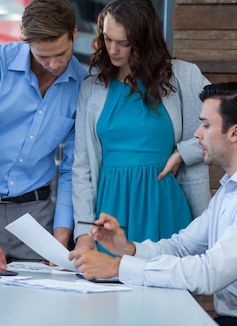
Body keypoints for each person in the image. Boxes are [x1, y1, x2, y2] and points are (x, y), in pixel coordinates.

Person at [69, 82, 237, 326]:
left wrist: (118, 267)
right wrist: (127, 249)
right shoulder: (227, 192)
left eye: (206, 125)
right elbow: (181, 246)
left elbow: (208, 272)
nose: (197, 134)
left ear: (234, 132)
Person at [0, 0, 89, 269]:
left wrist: (62, 232)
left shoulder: (84, 85)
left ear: (74, 33)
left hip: (36, 213)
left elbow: (72, 166)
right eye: (42, 56)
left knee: (39, 308)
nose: (53, 65)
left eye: (60, 54)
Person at [73, 0, 211, 252]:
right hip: (109, 211)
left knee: (164, 285)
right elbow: (81, 168)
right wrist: (83, 233)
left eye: (123, 43)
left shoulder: (183, 77)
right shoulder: (91, 89)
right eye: (107, 39)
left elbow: (225, 124)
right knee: (107, 288)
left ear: (144, 41)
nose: (112, 50)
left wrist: (184, 153)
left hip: (163, 205)